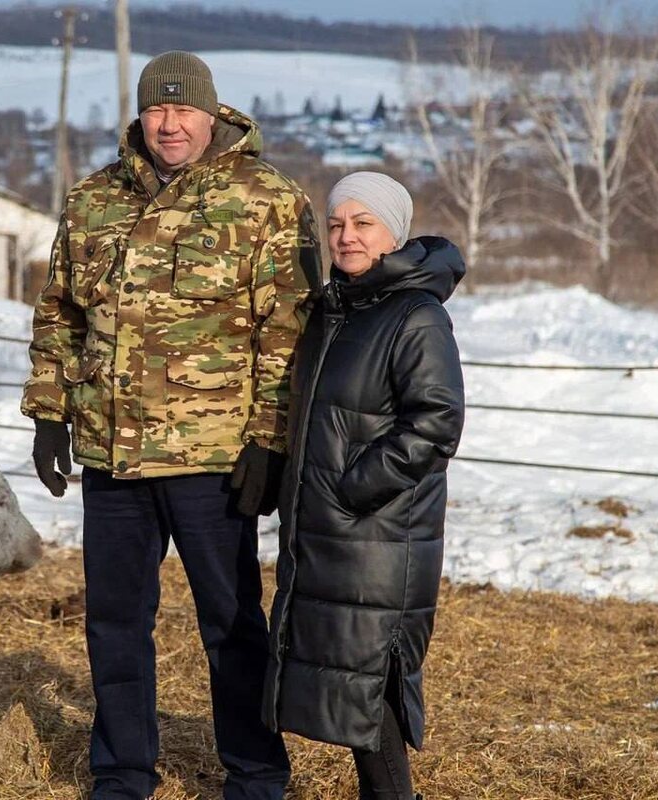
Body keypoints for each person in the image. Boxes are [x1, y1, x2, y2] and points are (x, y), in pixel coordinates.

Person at [21, 51, 321, 800]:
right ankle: (122, 773)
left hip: (213, 459)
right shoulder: (93, 200)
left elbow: (289, 331)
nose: (170, 124)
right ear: (140, 115)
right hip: (114, 458)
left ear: (213, 115)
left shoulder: (265, 201)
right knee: (115, 624)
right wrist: (50, 415)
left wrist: (270, 441)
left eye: (184, 110)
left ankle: (255, 774)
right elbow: (59, 313)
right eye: (158, 109)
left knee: (231, 624)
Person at [262, 171, 466, 800]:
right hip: (331, 533)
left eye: (363, 223)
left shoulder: (415, 314)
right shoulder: (337, 308)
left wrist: (354, 488)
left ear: (394, 232)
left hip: (377, 535)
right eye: (336, 224)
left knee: (369, 693)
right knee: (351, 694)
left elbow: (436, 422)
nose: (346, 237)